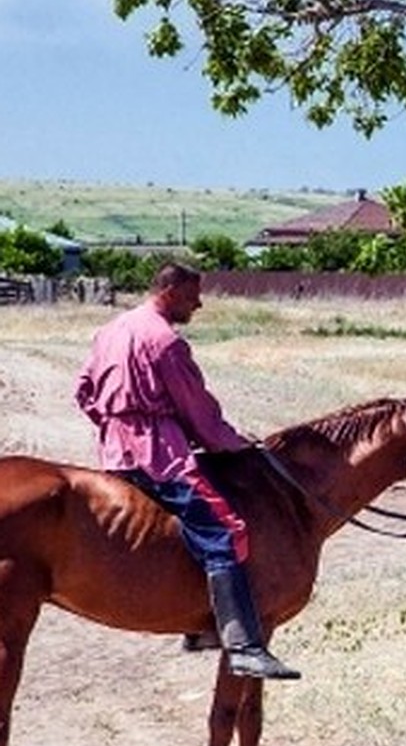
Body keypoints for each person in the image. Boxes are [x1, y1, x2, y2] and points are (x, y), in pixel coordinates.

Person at [74, 262, 299, 680]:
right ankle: (241, 645)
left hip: (113, 453)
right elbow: (199, 413)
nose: (199, 303)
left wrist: (114, 424)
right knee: (224, 531)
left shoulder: (110, 330)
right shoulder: (166, 343)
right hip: (158, 454)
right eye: (193, 294)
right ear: (172, 290)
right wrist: (235, 444)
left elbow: (83, 392)